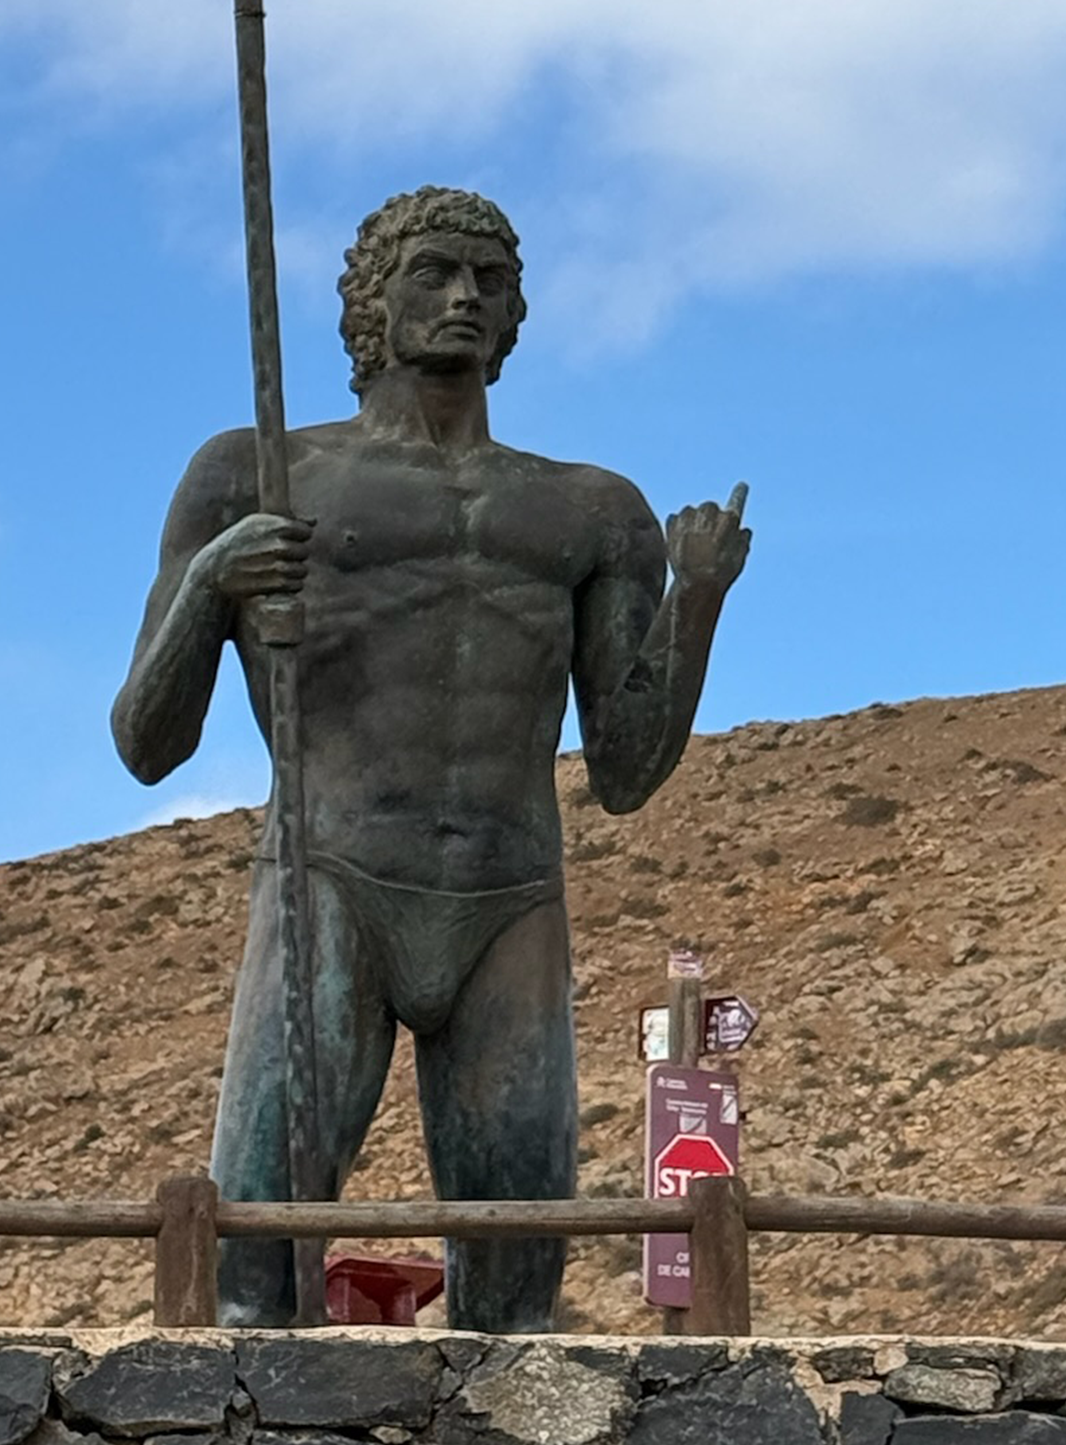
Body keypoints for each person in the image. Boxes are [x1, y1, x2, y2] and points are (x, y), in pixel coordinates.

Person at [112, 186, 750, 1330]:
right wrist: (215, 583)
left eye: (488, 282)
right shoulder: (253, 477)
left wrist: (694, 604)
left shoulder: (592, 512)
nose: (464, 297)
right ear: (373, 302)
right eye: (434, 273)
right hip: (330, 876)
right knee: (258, 1268)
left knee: (517, 1286)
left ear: (514, 317)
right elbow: (146, 743)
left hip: (509, 894)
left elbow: (623, 771)